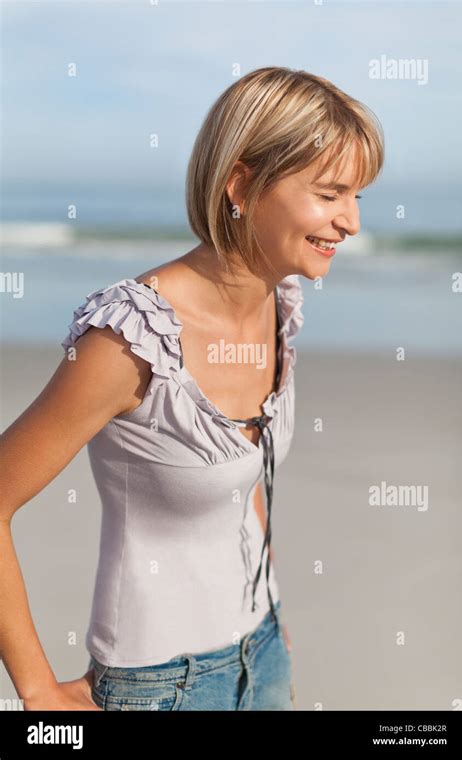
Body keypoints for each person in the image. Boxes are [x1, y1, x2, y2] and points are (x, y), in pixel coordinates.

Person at [0, 66, 384, 711]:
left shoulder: (280, 299)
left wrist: (270, 614)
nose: (350, 222)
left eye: (358, 198)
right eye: (329, 193)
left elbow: (245, 475)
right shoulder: (132, 337)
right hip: (162, 687)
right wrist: (36, 689)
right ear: (241, 183)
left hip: (262, 650)